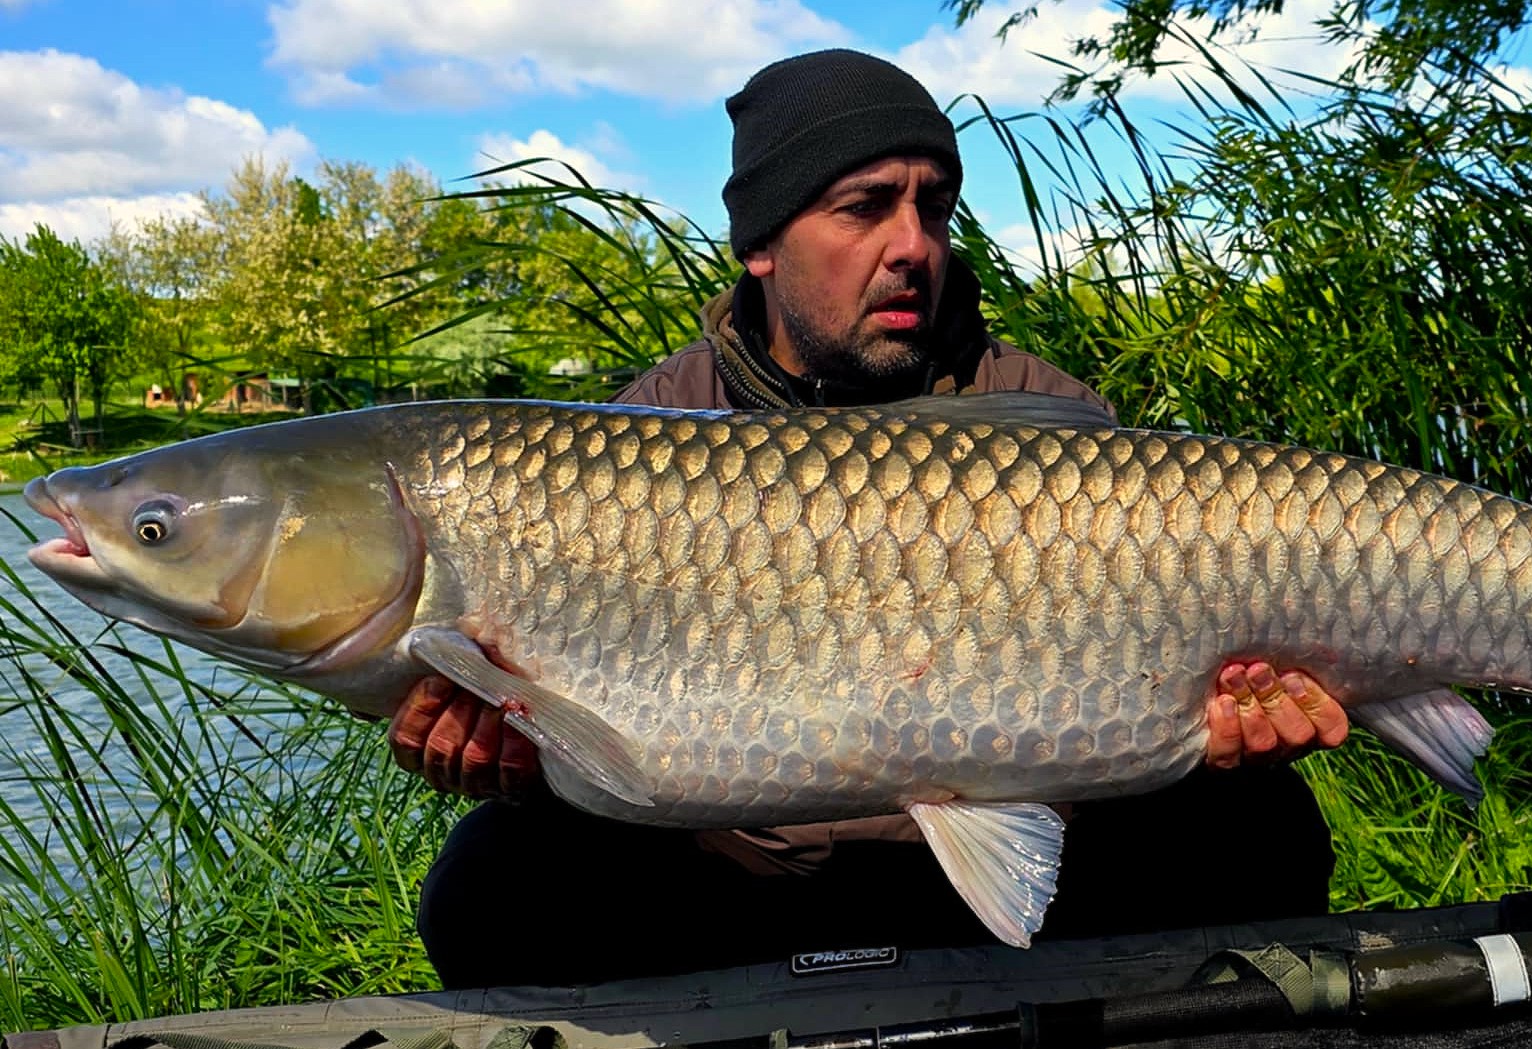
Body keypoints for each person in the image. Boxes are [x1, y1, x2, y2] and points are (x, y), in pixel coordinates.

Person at [393, 49, 1351, 990]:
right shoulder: (643, 431)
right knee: (488, 886)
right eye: (865, 207)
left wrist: (1232, 728)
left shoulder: (1043, 415)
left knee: (1262, 826)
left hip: (1013, 844)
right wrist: (510, 756)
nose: (914, 247)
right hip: (737, 873)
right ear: (762, 244)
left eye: (934, 208)